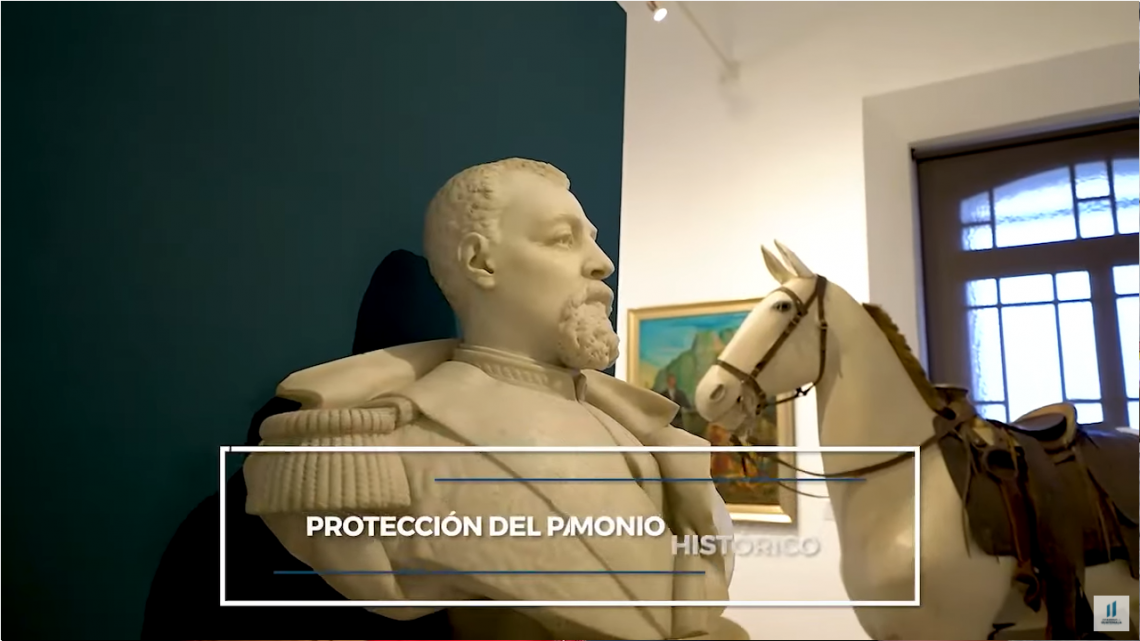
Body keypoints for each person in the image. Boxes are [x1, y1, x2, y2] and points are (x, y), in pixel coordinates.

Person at [243, 158, 745, 640]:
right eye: (563, 239)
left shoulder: (640, 434)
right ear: (481, 262)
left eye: (593, 240)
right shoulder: (386, 451)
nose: (602, 263)